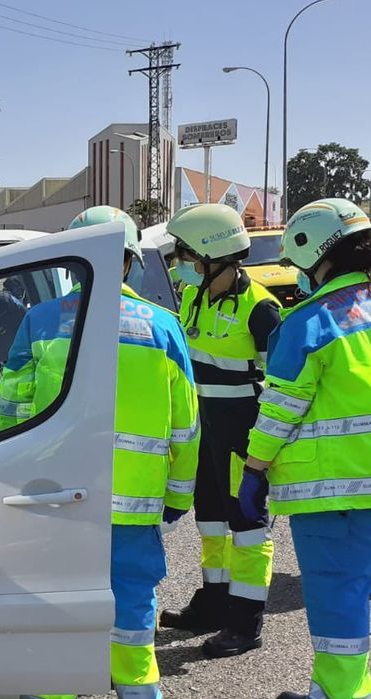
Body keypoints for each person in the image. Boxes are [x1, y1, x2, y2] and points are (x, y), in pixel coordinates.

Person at [9, 206, 199, 699]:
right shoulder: (163, 326)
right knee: (133, 602)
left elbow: (10, 410)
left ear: (72, 262)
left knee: (55, 599)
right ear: (131, 261)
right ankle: (137, 690)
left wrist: (13, 479)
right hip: (135, 499)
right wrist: (179, 495)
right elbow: (187, 425)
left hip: (57, 498)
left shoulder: (41, 320)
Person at [239, 199, 371, 699]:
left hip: (333, 495)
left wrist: (254, 471)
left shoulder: (309, 323)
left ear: (316, 253)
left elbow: (278, 412)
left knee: (340, 604)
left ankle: (340, 693)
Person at [158, 203, 280, 658]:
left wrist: (262, 457)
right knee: (209, 520)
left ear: (215, 257)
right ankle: (213, 602)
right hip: (205, 432)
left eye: (189, 258)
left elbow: (282, 389)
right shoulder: (193, 297)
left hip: (242, 437)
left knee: (247, 527)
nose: (184, 268)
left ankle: (244, 623)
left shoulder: (261, 311)